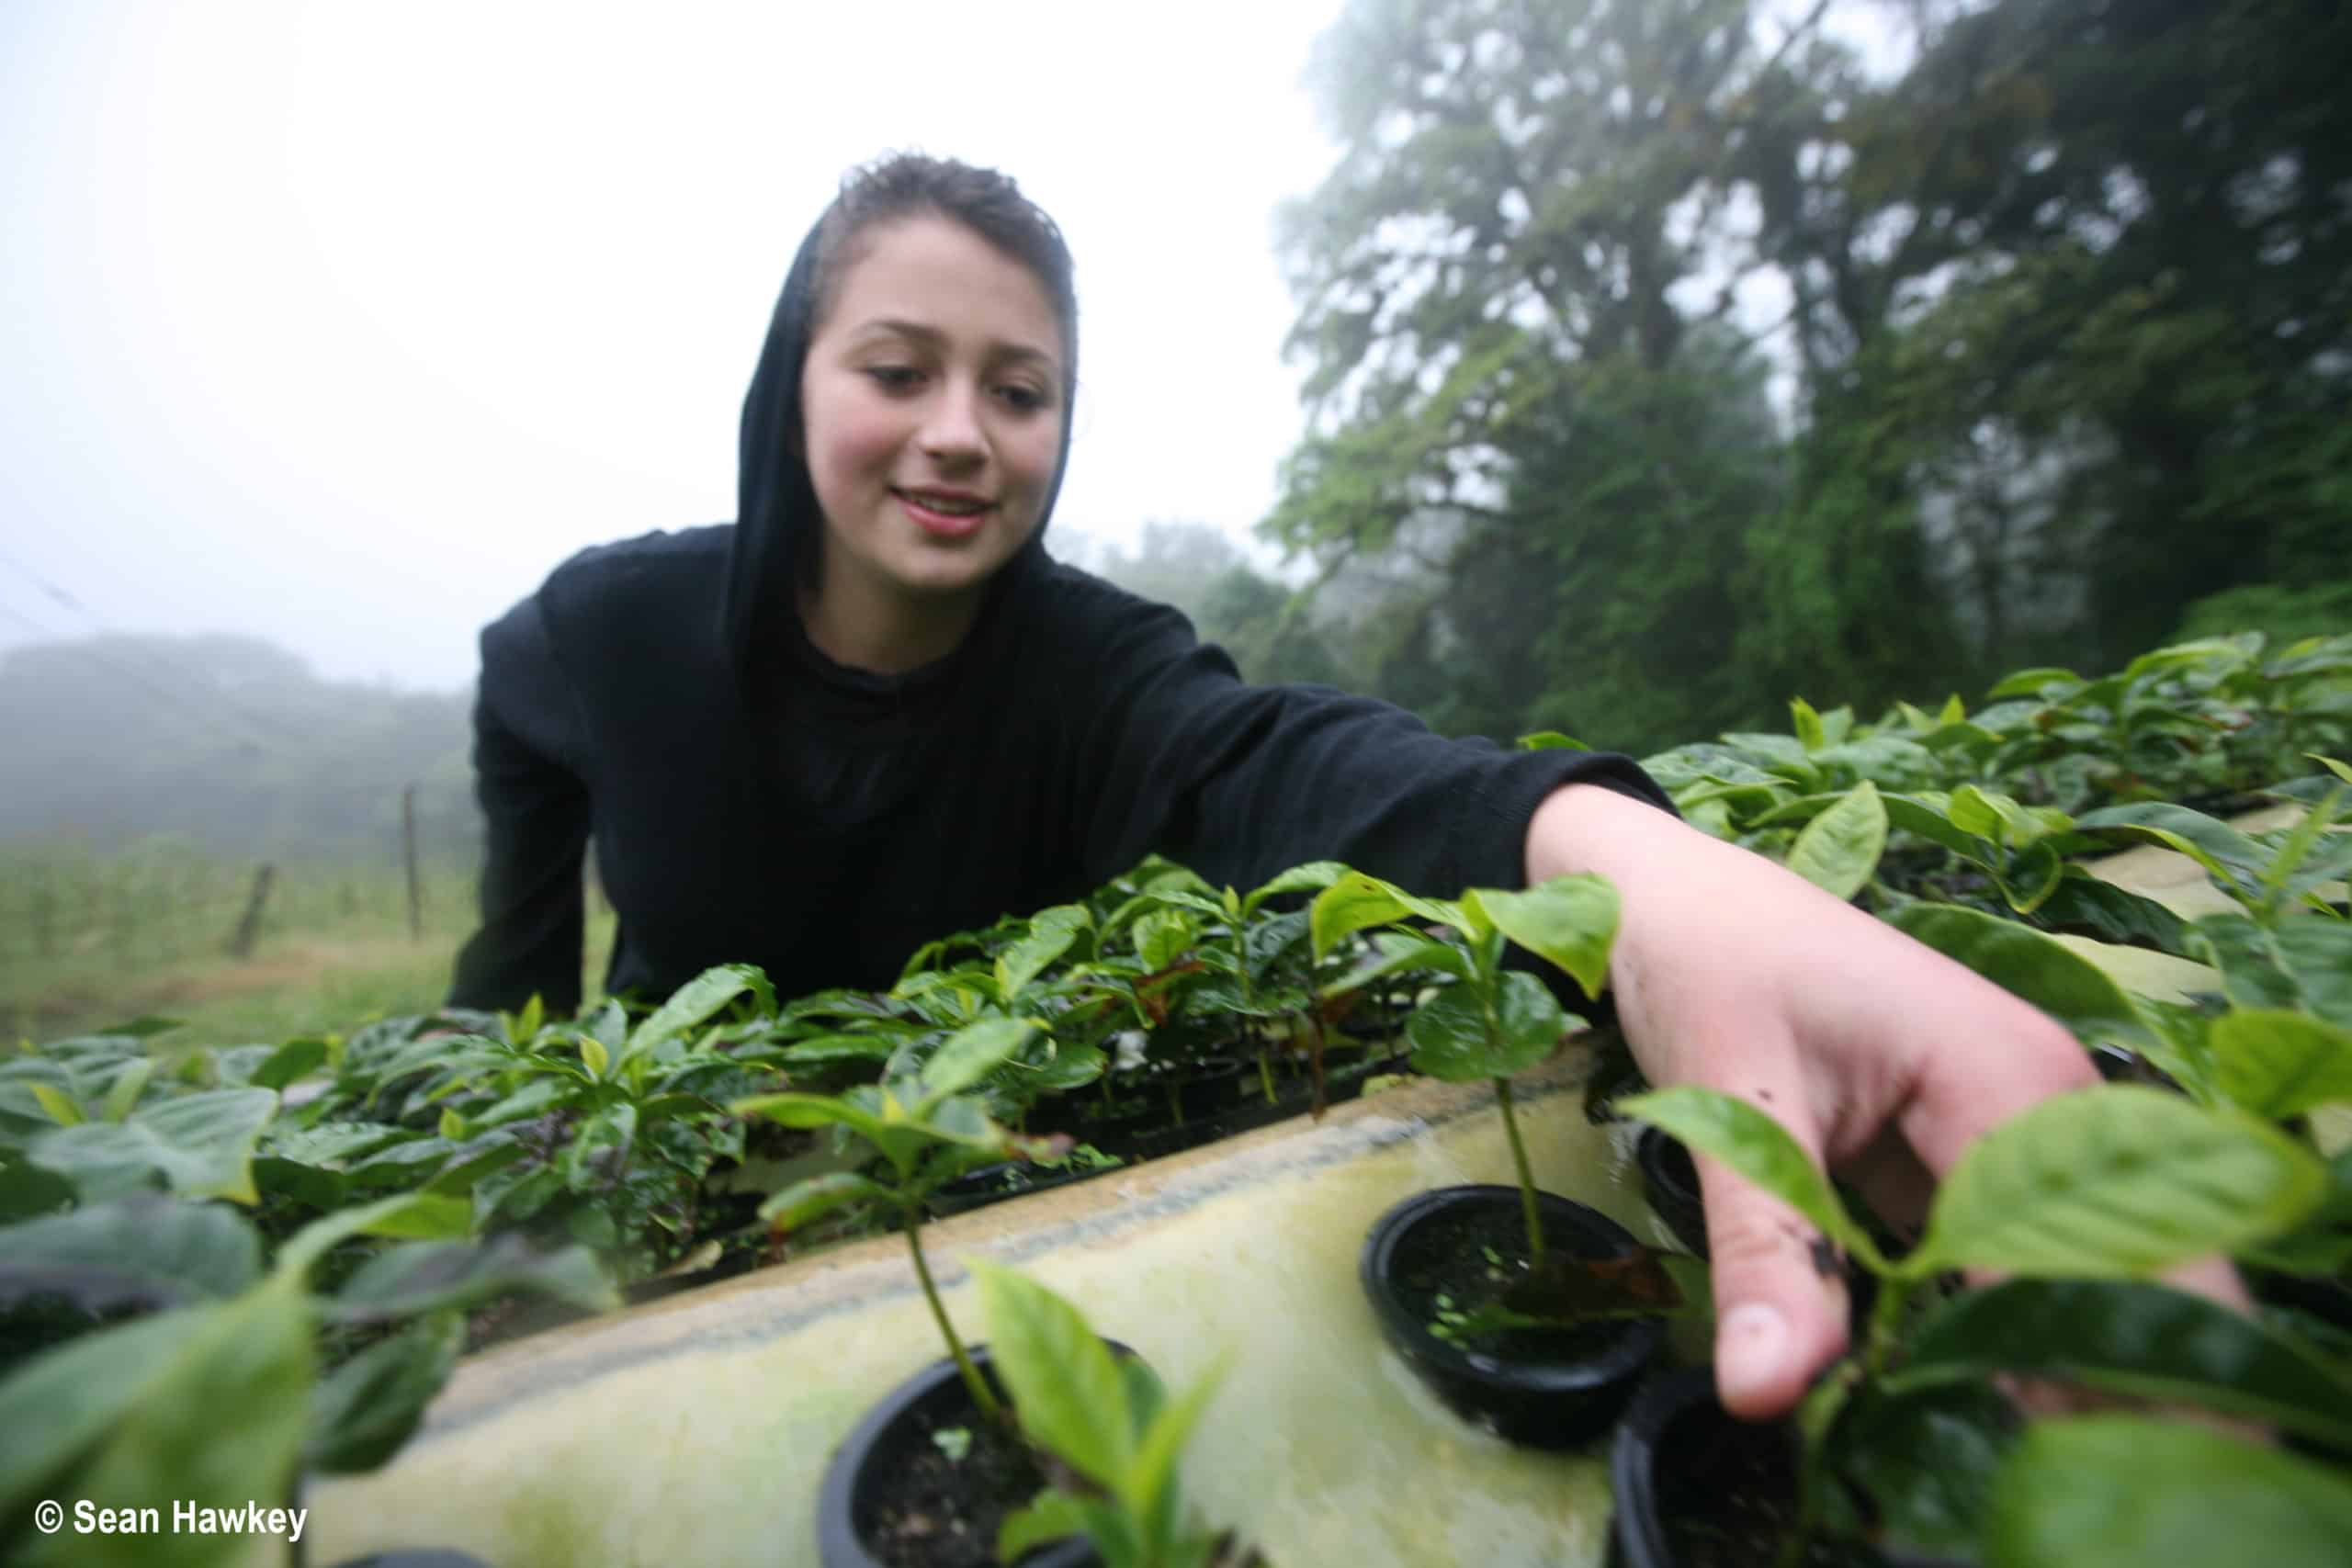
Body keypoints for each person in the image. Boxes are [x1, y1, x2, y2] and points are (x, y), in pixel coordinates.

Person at [446, 152, 2200, 1424]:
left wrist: (1631, 872)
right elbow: (512, 710)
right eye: (897, 370)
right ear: (793, 384)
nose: (962, 433)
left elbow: (1283, 763)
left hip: (972, 1214)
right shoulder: (621, 626)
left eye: (1021, 387)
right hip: (680, 1174)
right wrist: (513, 988)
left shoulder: (1091, 669)